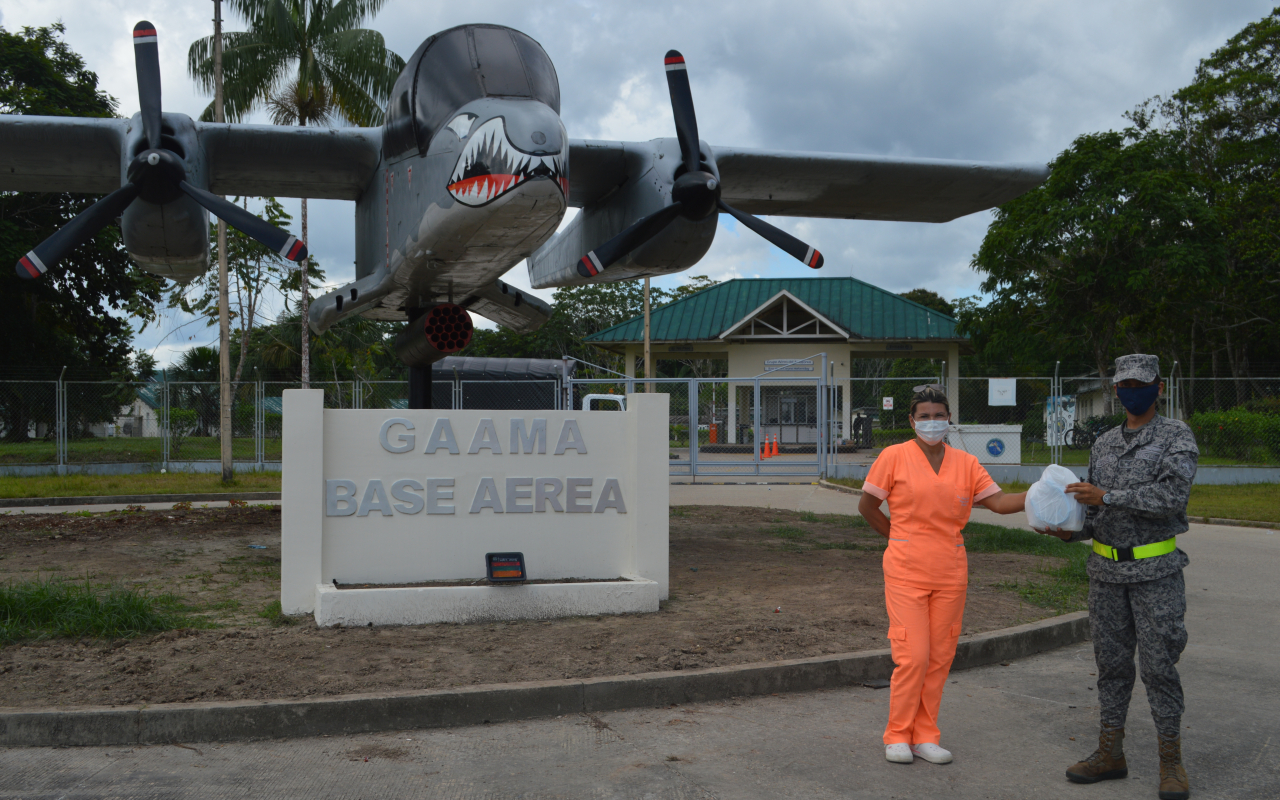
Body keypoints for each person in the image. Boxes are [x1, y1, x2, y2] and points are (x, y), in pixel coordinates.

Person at [1037, 354, 1197, 800]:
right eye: (1123, 383)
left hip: (1155, 574)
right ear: (1115, 390)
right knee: (1110, 667)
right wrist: (1070, 529)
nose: (1131, 390)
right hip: (1105, 572)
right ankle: (1110, 753)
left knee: (1160, 667)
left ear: (1158, 387)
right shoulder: (1104, 442)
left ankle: (1171, 762)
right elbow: (1093, 510)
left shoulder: (1175, 436)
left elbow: (1171, 496)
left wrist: (1107, 496)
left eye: (1139, 382)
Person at [858, 385, 1027, 765]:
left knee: (939, 657)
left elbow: (998, 502)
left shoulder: (965, 464)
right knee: (914, 656)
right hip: (905, 570)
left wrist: (1040, 495)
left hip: (950, 573)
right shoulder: (893, 456)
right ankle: (898, 734)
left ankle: (926, 735)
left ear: (949, 418)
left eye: (939, 415)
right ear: (912, 420)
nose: (933, 423)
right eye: (925, 416)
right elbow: (867, 505)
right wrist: (897, 538)